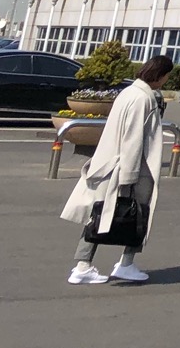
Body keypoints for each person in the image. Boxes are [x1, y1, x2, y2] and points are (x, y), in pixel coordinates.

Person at [62, 54, 171, 285]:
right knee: (136, 214)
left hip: (110, 163)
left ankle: (84, 264)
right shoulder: (143, 98)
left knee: (99, 214)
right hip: (131, 167)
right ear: (160, 75)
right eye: (166, 76)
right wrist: (129, 176)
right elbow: (133, 138)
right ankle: (124, 263)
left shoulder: (129, 92)